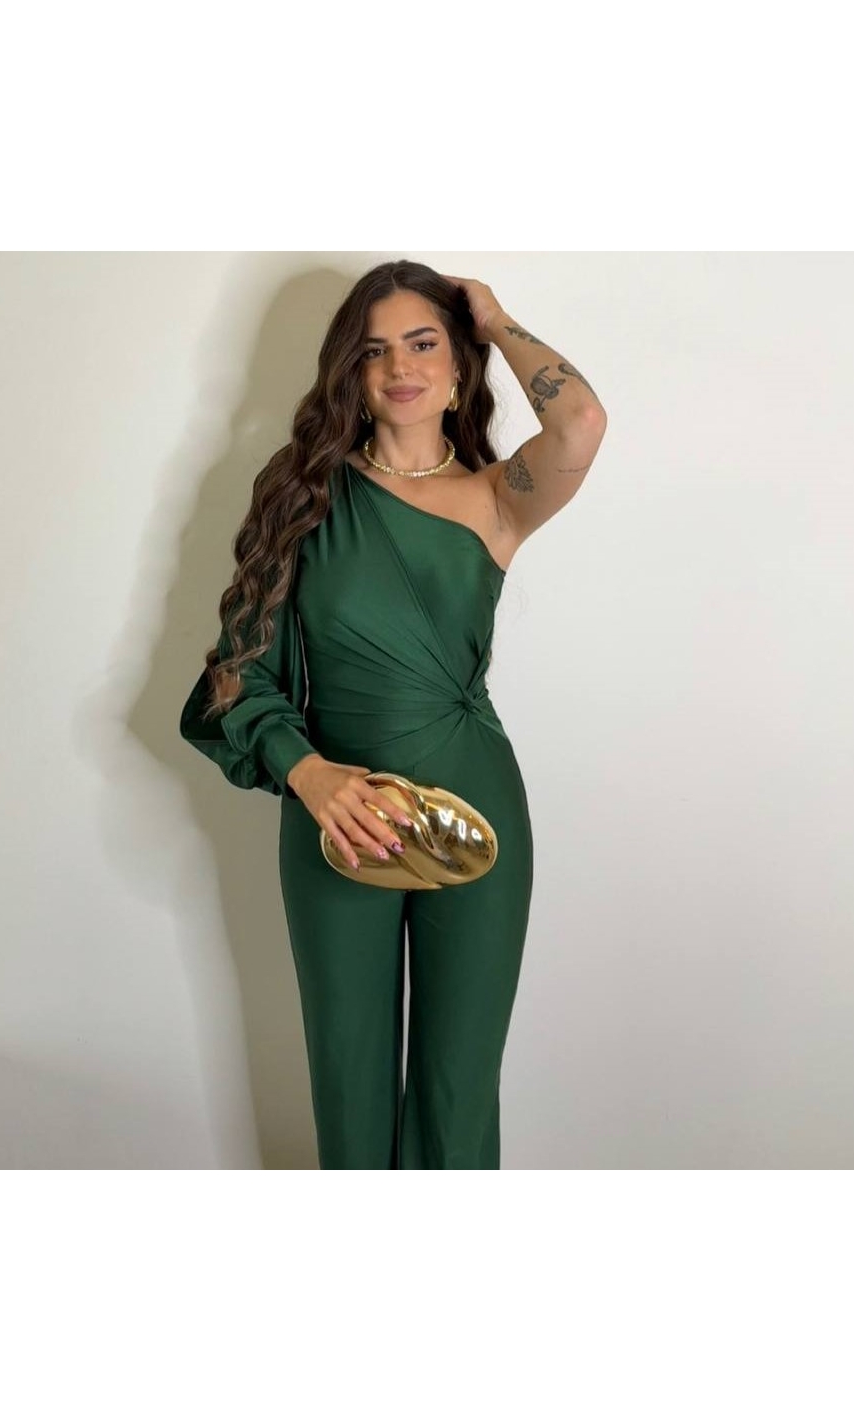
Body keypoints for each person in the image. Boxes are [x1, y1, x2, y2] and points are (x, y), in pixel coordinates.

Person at [180, 260, 607, 1168]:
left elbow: (579, 420)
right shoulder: (301, 490)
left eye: (423, 343)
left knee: (458, 1086)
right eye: (375, 351)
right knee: (349, 1073)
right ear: (350, 370)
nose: (400, 366)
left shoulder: (498, 498)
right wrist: (310, 774)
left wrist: (494, 318)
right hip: (338, 815)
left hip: (476, 806)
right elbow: (234, 674)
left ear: (457, 365)